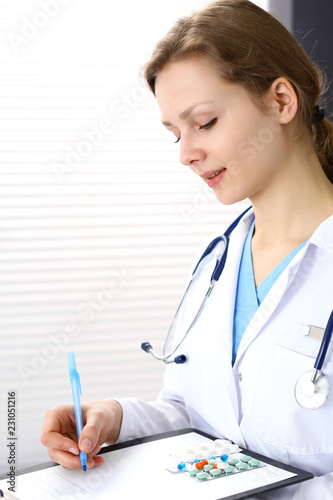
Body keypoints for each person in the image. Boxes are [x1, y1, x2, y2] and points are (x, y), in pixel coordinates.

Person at [41, 1, 333, 498]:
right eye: (175, 134)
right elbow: (198, 414)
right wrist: (115, 418)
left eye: (205, 122)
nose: (185, 154)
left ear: (282, 101)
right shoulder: (218, 262)